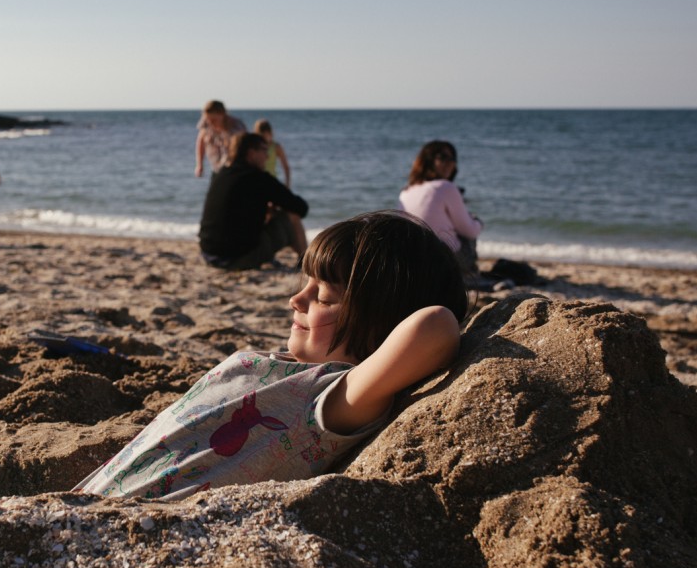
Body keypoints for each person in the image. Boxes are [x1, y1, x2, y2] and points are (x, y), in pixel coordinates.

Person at [77, 210, 467, 500]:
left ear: (380, 324)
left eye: (324, 296)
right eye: (307, 283)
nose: (297, 299)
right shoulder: (281, 366)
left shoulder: (338, 397)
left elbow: (436, 325)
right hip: (93, 495)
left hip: (132, 518)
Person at [198, 132, 309, 270]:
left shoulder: (223, 173)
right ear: (251, 153)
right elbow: (301, 207)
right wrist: (276, 207)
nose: (268, 156)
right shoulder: (259, 178)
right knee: (291, 216)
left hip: (208, 254)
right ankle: (308, 265)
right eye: (264, 150)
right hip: (236, 259)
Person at [399, 140, 483, 278]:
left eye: (452, 158)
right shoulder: (445, 186)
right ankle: (469, 274)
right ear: (428, 160)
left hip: (416, 259)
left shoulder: (406, 191)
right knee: (471, 220)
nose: (449, 162)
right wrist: (479, 223)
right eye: (443, 157)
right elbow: (470, 231)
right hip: (446, 259)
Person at [195, 100, 247, 177]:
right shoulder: (207, 124)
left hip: (234, 169)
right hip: (216, 168)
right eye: (207, 119)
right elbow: (201, 142)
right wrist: (200, 164)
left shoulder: (236, 127)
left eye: (213, 120)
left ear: (223, 114)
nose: (210, 123)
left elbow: (245, 147)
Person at [253, 119, 292, 187]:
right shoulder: (255, 147)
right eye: (261, 136)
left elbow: (286, 167)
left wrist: (287, 184)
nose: (264, 139)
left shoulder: (276, 147)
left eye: (266, 135)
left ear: (270, 133)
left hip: (271, 182)